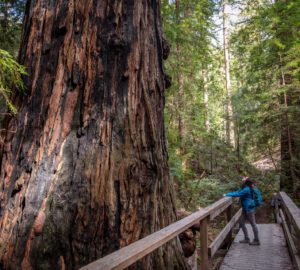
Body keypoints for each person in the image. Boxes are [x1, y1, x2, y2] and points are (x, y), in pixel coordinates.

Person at [224, 177, 262, 245]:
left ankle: (256, 240)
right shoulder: (249, 187)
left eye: (244, 180)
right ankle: (246, 238)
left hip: (249, 209)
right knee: (241, 222)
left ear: (246, 182)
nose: (242, 181)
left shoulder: (247, 189)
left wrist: (226, 194)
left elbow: (238, 194)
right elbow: (239, 192)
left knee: (253, 224)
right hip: (245, 209)